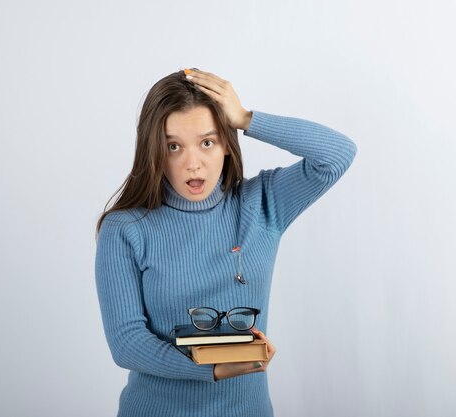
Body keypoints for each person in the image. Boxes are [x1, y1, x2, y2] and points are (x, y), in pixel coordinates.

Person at [95, 68, 357, 417]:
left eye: (207, 142)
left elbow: (337, 155)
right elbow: (127, 343)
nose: (193, 163)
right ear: (154, 151)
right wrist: (211, 370)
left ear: (226, 144)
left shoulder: (262, 204)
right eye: (173, 146)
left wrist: (246, 118)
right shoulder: (126, 228)